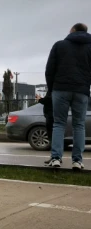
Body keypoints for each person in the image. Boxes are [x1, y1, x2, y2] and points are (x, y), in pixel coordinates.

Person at [45, 23, 91, 170]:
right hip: (81, 91)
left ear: (73, 30)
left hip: (61, 88)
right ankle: (77, 160)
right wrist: (86, 85)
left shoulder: (59, 45)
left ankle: (56, 158)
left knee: (59, 124)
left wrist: (52, 89)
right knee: (79, 125)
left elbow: (49, 69)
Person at [36, 92, 56, 164]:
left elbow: (48, 100)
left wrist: (40, 99)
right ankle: (55, 156)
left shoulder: (53, 90)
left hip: (51, 116)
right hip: (52, 115)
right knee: (53, 136)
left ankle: (55, 157)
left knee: (52, 136)